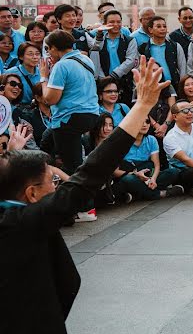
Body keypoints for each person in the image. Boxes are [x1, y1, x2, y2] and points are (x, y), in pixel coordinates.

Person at [0, 56, 169, 333]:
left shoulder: (17, 212)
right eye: (52, 181)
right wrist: (142, 106)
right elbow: (90, 172)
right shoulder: (19, 225)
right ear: (31, 194)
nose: (57, 184)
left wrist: (13, 154)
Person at [39, 30, 100, 175]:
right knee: (46, 142)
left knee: (73, 166)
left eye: (47, 49)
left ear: (54, 47)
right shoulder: (86, 59)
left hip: (69, 119)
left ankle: (82, 194)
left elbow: (49, 99)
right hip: (91, 115)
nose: (48, 53)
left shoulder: (62, 66)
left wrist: (43, 77)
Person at [89, 9, 138, 100]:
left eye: (118, 22)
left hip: (124, 82)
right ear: (105, 23)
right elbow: (94, 56)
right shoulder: (99, 39)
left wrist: (112, 76)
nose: (116, 25)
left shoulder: (129, 40)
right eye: (111, 22)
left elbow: (130, 61)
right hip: (103, 83)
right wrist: (103, 78)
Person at [137, 16, 187, 104]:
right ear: (150, 29)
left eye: (164, 26)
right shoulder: (143, 48)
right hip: (152, 87)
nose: (162, 29)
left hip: (173, 86)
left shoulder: (175, 46)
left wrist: (181, 86)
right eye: (158, 26)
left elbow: (182, 67)